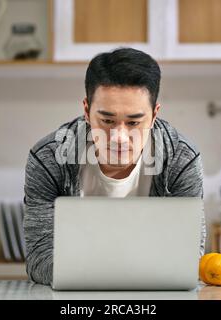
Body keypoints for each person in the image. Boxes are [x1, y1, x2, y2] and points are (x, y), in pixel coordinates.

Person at [24, 47, 205, 285]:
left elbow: (188, 257)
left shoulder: (180, 159)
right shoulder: (50, 158)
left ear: (154, 115)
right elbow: (40, 259)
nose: (119, 137)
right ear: (87, 110)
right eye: (107, 121)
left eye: (133, 122)